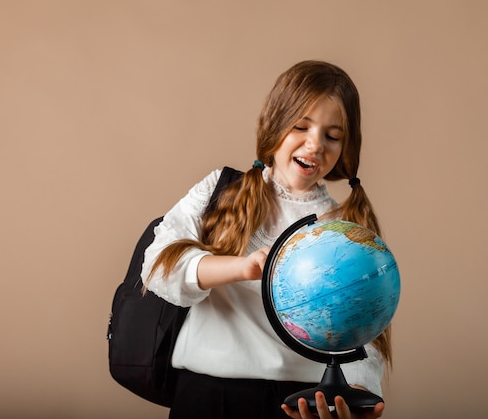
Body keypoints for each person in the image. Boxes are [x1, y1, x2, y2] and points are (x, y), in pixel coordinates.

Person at [141, 60, 392, 419]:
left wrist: (359, 393)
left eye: (332, 136)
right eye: (301, 126)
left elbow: (365, 327)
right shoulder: (220, 190)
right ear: (275, 123)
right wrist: (242, 267)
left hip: (300, 403)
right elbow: (157, 269)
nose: (315, 144)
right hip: (208, 396)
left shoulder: (343, 226)